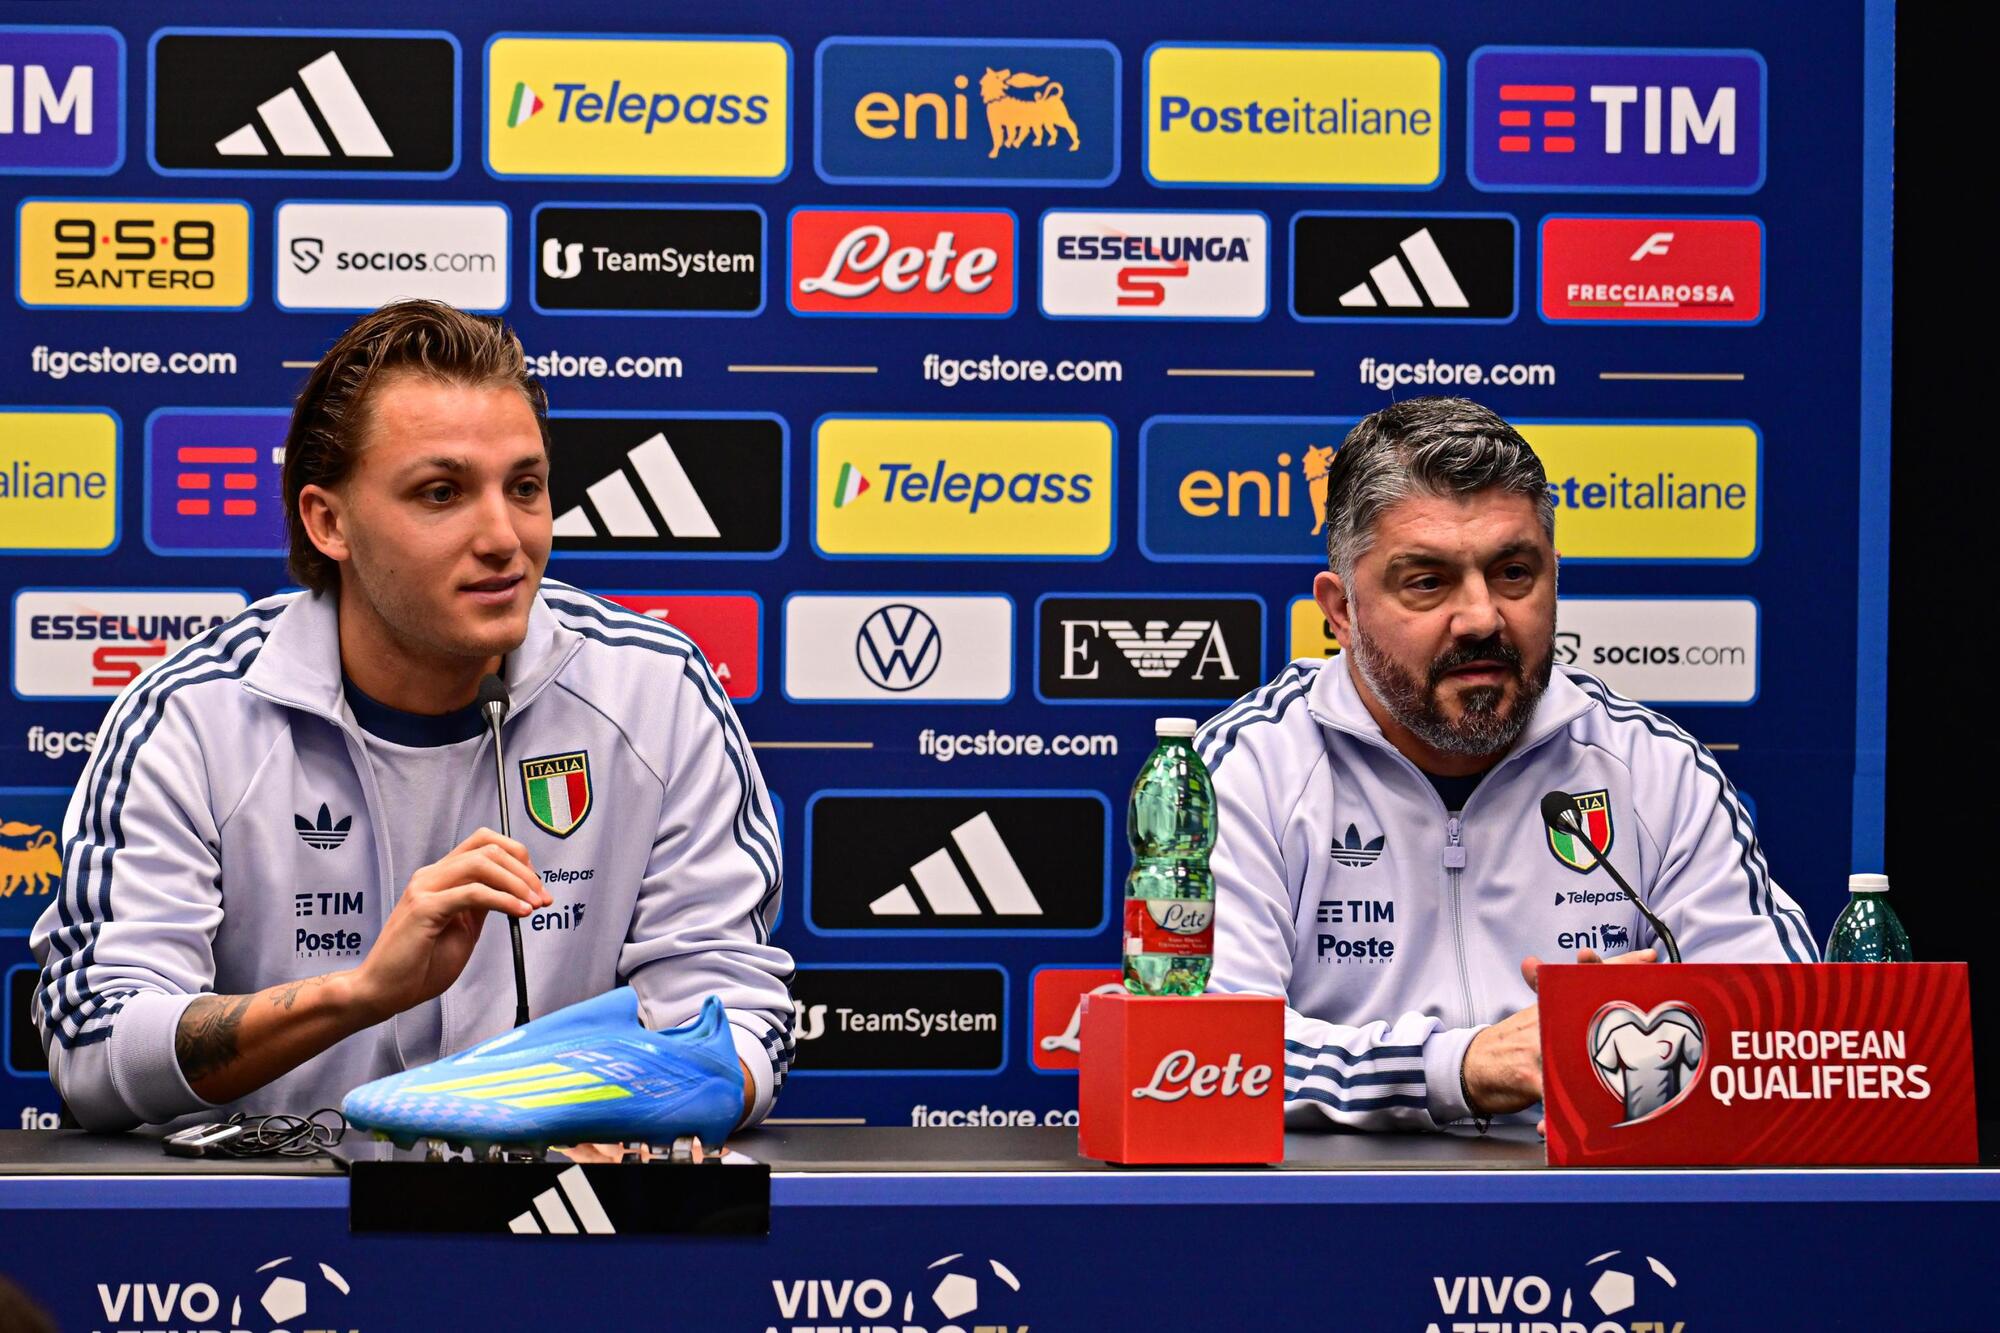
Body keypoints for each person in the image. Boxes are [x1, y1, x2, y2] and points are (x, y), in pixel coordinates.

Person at [30, 300, 794, 1134]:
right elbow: (96, 1048)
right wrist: (360, 994)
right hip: (270, 1245)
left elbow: (734, 1021)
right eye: (442, 492)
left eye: (526, 488)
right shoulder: (193, 717)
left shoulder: (656, 691)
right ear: (330, 521)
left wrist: (635, 1102)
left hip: (571, 1231)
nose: (505, 537)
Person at [1201, 397, 1815, 1131]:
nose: (1483, 617)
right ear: (1340, 611)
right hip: (1328, 1216)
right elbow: (1202, 1051)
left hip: (1590, 1211)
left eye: (1514, 573)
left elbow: (1786, 1032)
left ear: (1556, 575)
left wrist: (1668, 1023)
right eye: (1426, 581)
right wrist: (1455, 1068)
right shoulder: (1247, 769)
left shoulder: (1653, 770)